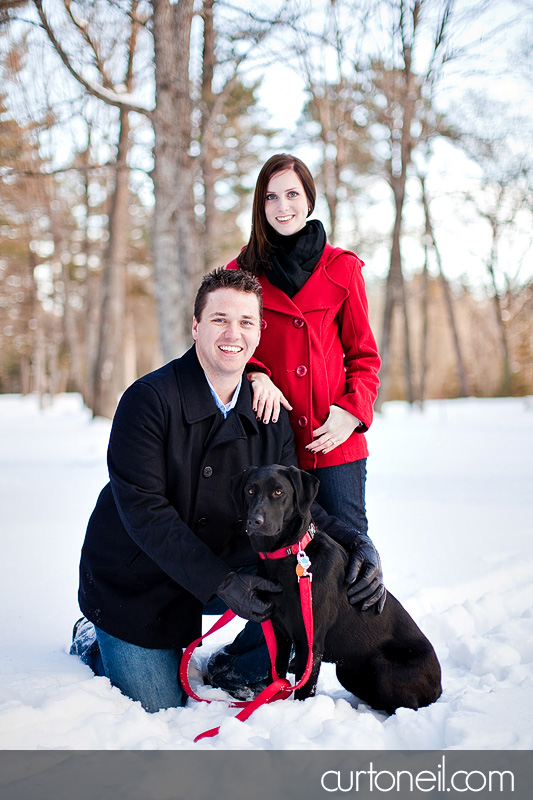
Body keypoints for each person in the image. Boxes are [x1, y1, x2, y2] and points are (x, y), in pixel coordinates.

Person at [71, 268, 385, 712]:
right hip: (140, 573)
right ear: (196, 326)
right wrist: (222, 582)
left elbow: (296, 508)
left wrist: (358, 541)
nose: (232, 333)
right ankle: (92, 637)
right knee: (158, 701)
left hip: (224, 555)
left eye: (245, 322)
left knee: (292, 578)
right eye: (219, 320)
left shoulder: (267, 409)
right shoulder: (148, 400)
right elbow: (145, 513)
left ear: (259, 334)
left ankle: (233, 665)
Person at [226, 153, 380, 536]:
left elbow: (365, 357)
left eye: (292, 194)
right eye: (271, 197)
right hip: (271, 447)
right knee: (275, 555)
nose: (283, 206)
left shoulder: (342, 267)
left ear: (308, 200)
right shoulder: (239, 273)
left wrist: (352, 412)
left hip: (333, 440)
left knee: (349, 551)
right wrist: (255, 374)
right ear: (260, 205)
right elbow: (228, 344)